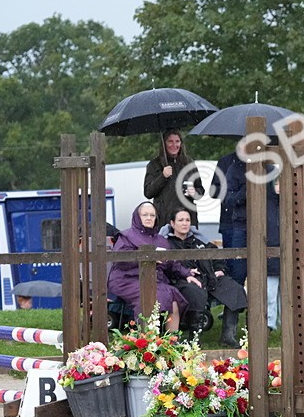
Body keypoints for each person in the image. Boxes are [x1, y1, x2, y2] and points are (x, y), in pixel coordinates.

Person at [107, 202, 201, 333]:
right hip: (126, 279)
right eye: (145, 215)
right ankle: (147, 340)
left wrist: (187, 274)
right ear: (137, 217)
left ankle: (171, 341)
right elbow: (120, 261)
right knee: (150, 297)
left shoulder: (161, 240)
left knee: (173, 298)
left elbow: (171, 263)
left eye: (152, 215)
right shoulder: (126, 236)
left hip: (153, 280)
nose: (149, 218)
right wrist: (146, 258)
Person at [166, 208, 249, 348]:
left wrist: (220, 269)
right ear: (172, 223)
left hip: (210, 277)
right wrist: (186, 273)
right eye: (180, 220)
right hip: (183, 280)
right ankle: (195, 339)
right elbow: (169, 266)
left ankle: (228, 336)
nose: (185, 223)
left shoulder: (199, 240)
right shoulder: (167, 243)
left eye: (187, 220)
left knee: (235, 289)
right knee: (195, 293)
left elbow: (216, 255)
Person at [226, 157, 282, 330]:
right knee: (238, 275)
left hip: (267, 228)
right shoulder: (235, 169)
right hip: (242, 227)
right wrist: (247, 190)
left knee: (267, 277)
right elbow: (227, 199)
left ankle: (260, 323)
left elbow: (277, 200)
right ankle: (230, 329)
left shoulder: (272, 170)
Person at [144, 129, 203, 228]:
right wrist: (163, 176)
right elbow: (148, 192)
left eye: (177, 141)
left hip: (187, 221)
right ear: (164, 144)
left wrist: (195, 192)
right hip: (164, 221)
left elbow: (200, 189)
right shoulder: (154, 165)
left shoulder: (189, 163)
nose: (174, 145)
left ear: (181, 143)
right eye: (170, 141)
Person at [211, 148, 245, 285]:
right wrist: (235, 191)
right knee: (232, 266)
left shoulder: (262, 161)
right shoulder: (225, 162)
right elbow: (213, 190)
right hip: (230, 221)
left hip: (257, 222)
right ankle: (233, 296)